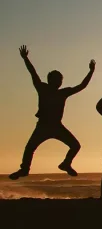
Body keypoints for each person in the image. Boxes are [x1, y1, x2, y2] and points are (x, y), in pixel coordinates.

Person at [10, 45, 95, 179]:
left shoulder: (63, 93)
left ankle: (66, 164)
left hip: (56, 126)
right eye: (56, 80)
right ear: (50, 80)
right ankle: (24, 169)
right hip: (43, 126)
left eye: (60, 80)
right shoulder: (42, 88)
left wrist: (91, 71)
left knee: (75, 145)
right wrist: (25, 59)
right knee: (30, 148)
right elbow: (33, 73)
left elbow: (81, 86)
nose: (59, 82)